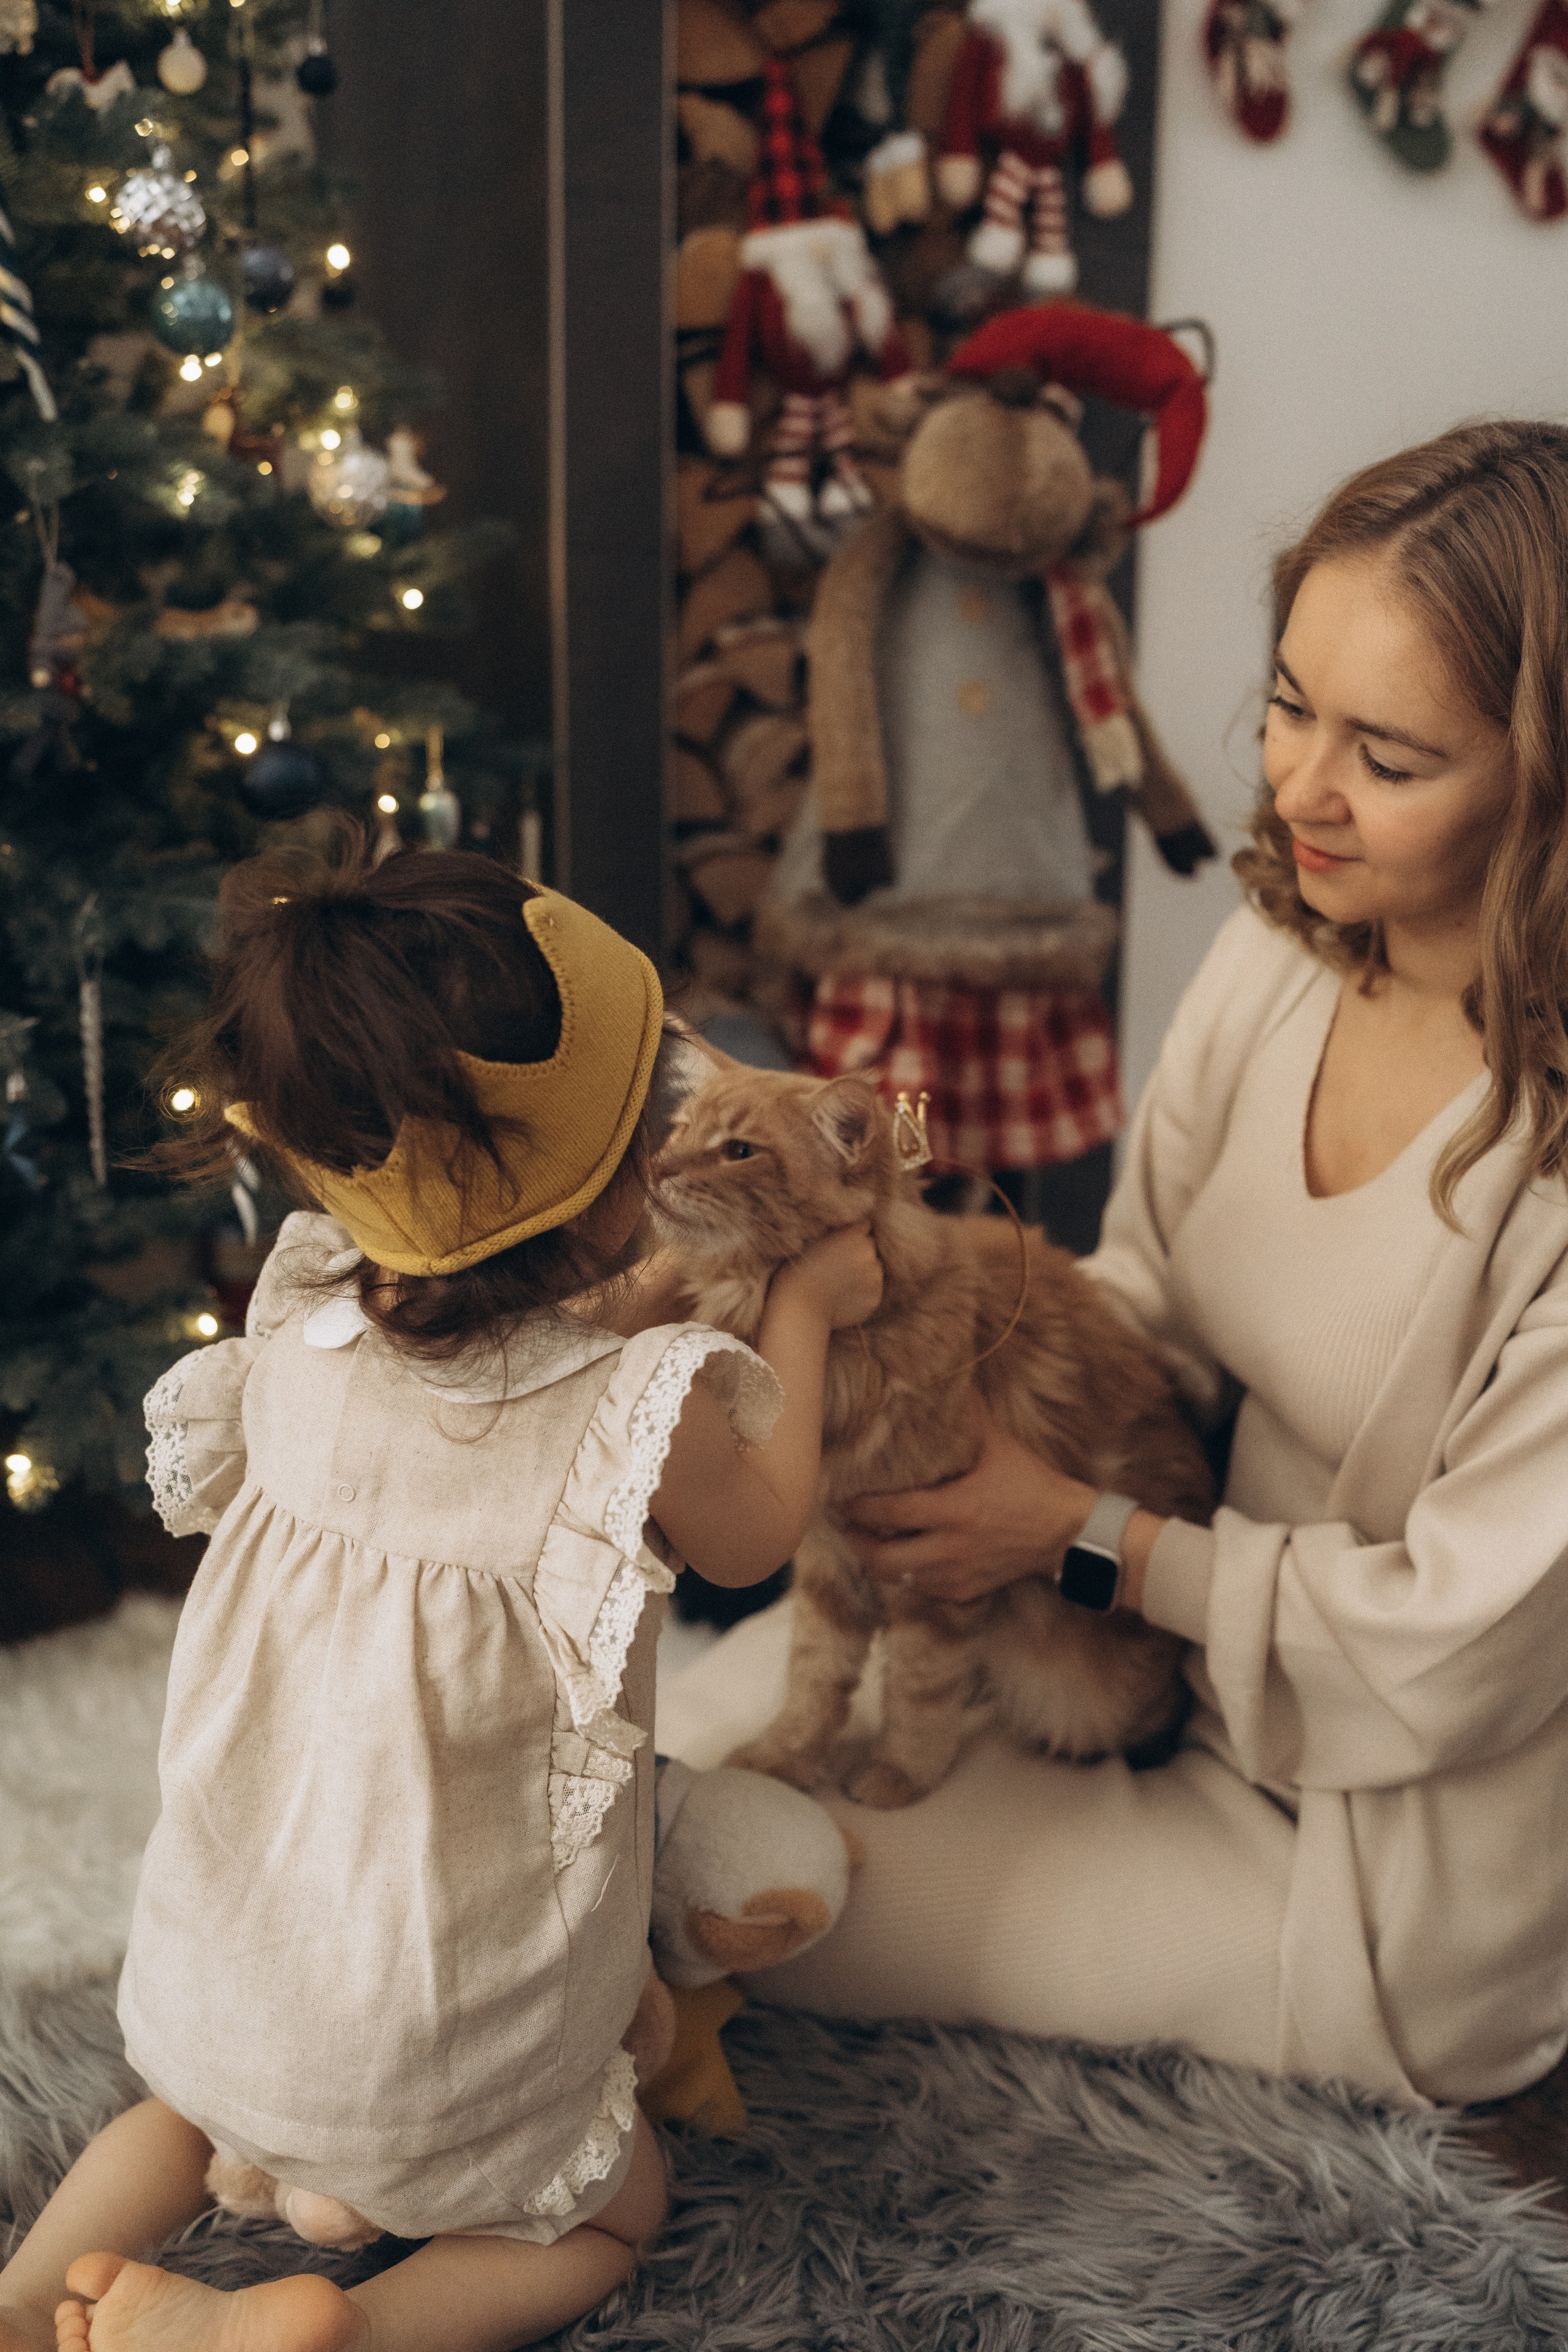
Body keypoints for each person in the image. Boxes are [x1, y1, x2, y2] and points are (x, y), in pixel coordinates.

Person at [660, 418, 1568, 2112]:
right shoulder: (1278, 961)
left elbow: (1460, 1650)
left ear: (1550, 776)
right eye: (1292, 706)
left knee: (686, 1888)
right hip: (1100, 1635)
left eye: (1388, 752)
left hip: (1371, 1844)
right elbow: (1138, 1292)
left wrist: (1090, 1539)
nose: (1299, 788)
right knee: (626, 1791)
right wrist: (931, 1373)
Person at [0, 843, 881, 2352]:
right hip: (447, 2040)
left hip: (232, 1987)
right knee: (615, 2207)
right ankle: (350, 2330)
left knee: (181, 2123)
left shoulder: (297, 1319)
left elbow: (489, 1332)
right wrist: (803, 1304)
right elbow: (759, 1534)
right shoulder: (634, 1405)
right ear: (612, 1198)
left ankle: (28, 2296)